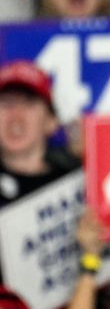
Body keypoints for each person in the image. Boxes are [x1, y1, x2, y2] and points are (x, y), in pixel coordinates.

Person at [0, 60, 79, 209]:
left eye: (29, 103)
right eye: (6, 103)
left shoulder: (80, 185)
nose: (16, 115)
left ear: (51, 121)